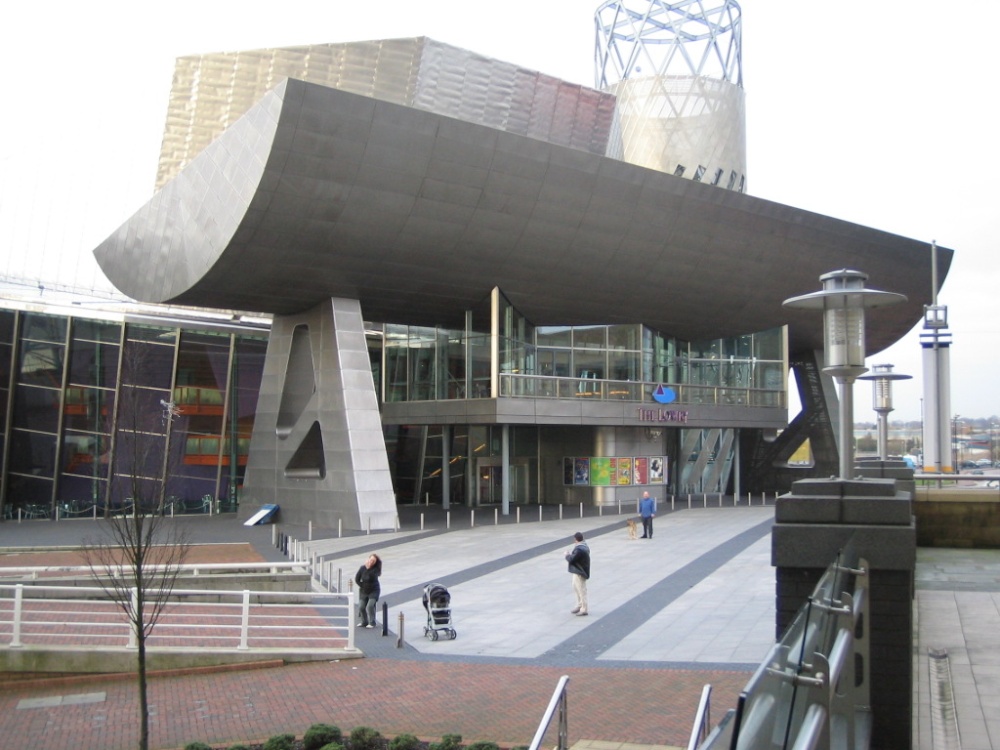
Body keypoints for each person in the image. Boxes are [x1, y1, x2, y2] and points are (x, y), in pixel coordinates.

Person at [564, 531, 590, 616]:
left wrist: (567, 555)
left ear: (575, 539)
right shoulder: (584, 546)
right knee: (576, 587)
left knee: (581, 590)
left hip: (580, 572)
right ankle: (579, 605)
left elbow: (572, 559)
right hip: (578, 571)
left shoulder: (579, 549)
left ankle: (584, 609)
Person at [354, 553, 382, 628]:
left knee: (370, 606)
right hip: (364, 591)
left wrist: (368, 568)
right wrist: (362, 585)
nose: (371, 561)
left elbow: (371, 577)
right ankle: (364, 621)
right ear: (368, 559)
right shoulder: (362, 568)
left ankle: (372, 622)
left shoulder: (376, 569)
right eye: (370, 559)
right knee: (361, 607)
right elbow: (357, 579)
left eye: (373, 561)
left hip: (374, 590)